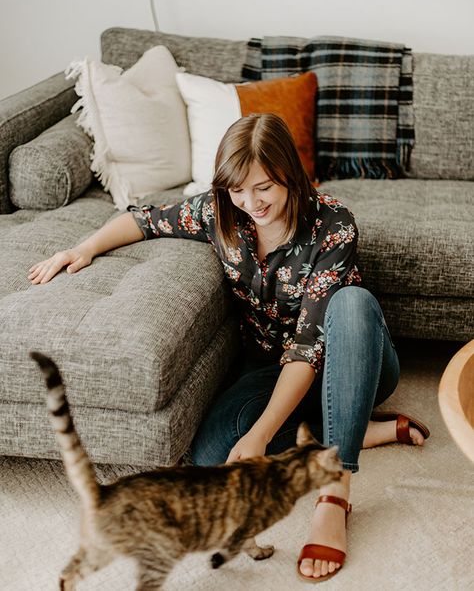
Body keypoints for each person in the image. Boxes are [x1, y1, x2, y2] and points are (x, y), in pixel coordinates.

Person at [28, 113, 430, 582]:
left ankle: (335, 487)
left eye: (263, 187)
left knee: (354, 304)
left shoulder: (333, 224)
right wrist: (84, 248)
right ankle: (356, 430)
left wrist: (262, 435)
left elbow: (307, 347)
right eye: (238, 189)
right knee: (213, 456)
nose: (250, 202)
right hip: (267, 363)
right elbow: (143, 221)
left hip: (355, 357)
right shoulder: (222, 212)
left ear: (289, 174)